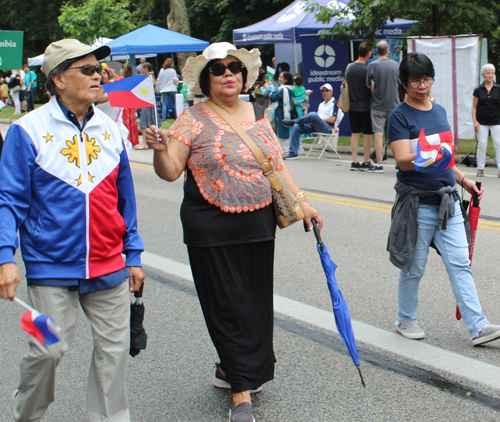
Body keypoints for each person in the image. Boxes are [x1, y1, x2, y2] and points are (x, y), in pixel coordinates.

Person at [144, 41, 323, 422]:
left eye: (235, 68)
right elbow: (171, 170)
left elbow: (276, 165)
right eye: (219, 69)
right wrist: (161, 149)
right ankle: (241, 392)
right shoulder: (191, 118)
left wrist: (302, 201)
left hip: (257, 223)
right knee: (226, 305)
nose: (228, 74)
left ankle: (230, 369)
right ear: (206, 79)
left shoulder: (258, 113)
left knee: (254, 303)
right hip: (209, 226)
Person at [0, 39, 146, 421]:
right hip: (49, 269)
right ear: (59, 79)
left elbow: (125, 199)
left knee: (113, 358)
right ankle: (25, 413)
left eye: (99, 69)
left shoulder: (110, 129)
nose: (98, 76)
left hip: (109, 266)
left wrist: (133, 254)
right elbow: (10, 200)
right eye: (87, 70)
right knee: (48, 349)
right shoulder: (27, 130)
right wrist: (5, 259)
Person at [387, 52, 500, 347]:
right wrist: (428, 156)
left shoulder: (438, 111)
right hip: (417, 204)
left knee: (460, 263)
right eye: (415, 80)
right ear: (404, 83)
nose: (422, 85)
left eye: (426, 79)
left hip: (448, 203)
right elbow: (401, 160)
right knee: (414, 266)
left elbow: (447, 160)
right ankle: (405, 318)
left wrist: (464, 181)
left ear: (432, 79)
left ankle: (479, 327)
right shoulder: (399, 116)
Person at [366, 40, 400, 173]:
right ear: (388, 51)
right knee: (396, 135)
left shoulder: (372, 65)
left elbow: (369, 85)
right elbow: (398, 83)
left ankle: (379, 164)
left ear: (377, 52)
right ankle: (399, 163)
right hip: (393, 104)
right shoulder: (395, 65)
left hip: (377, 105)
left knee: (378, 135)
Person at [281, 83, 339, 160]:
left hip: (327, 128)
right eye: (323, 91)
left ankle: (294, 121)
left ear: (331, 92)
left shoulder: (335, 103)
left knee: (313, 115)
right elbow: (317, 118)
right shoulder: (321, 104)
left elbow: (332, 120)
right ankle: (293, 152)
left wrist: (316, 119)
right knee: (297, 126)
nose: (324, 92)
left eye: (327, 91)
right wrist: (314, 121)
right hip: (315, 126)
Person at [347, 41, 374, 171]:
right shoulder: (367, 69)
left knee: (355, 133)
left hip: (352, 105)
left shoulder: (350, 68)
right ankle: (366, 160)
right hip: (366, 105)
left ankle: (354, 161)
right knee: (367, 134)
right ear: (368, 53)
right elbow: (371, 88)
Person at [471, 63, 500, 178]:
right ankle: (480, 168)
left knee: (498, 144)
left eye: (492, 73)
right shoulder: (478, 90)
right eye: (488, 73)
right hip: (482, 121)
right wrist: (475, 121)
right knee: (482, 145)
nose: (490, 75)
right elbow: (474, 106)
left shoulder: (498, 89)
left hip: (496, 120)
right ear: (483, 75)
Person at [264, 71, 294, 153]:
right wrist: (271, 86)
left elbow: (273, 97)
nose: (279, 79)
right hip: (283, 112)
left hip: (282, 113)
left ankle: (284, 150)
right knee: (281, 130)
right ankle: (284, 150)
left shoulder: (284, 90)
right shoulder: (286, 89)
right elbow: (275, 94)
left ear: (286, 79)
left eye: (281, 77)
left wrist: (268, 89)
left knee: (282, 131)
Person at [135, 62, 160, 150]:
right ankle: (146, 142)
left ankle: (146, 143)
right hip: (146, 101)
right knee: (147, 120)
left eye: (142, 68)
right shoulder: (143, 76)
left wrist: (150, 74)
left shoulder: (149, 76)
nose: (141, 70)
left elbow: (153, 84)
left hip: (148, 101)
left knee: (146, 121)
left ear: (146, 69)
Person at [115, 63, 140, 147]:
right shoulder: (132, 80)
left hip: (123, 104)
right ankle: (132, 140)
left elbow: (116, 80)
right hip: (131, 104)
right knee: (131, 121)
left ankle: (126, 139)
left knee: (124, 121)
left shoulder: (119, 79)